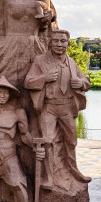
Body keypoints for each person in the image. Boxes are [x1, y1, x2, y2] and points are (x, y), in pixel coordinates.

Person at [24, 29, 91, 187]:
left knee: (71, 140)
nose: (59, 44)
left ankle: (74, 171)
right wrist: (44, 78)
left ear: (68, 43)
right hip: (49, 107)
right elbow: (28, 82)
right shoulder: (41, 61)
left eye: (63, 41)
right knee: (47, 141)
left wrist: (81, 83)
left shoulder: (72, 62)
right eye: (56, 41)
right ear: (50, 42)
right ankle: (49, 176)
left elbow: (86, 82)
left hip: (67, 107)